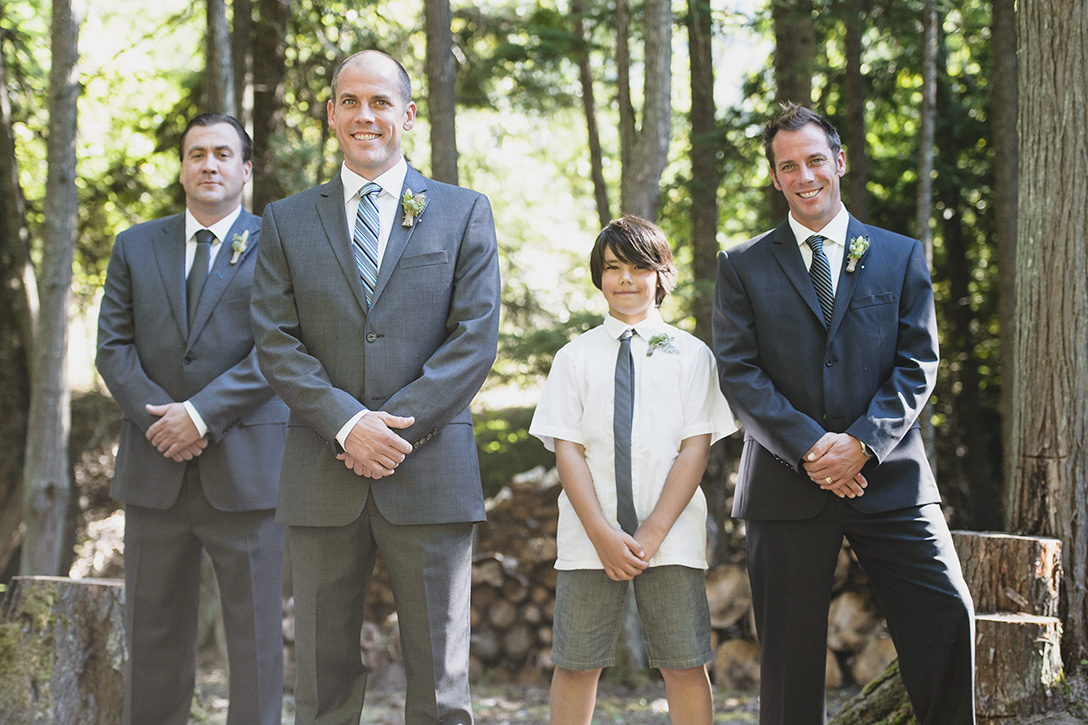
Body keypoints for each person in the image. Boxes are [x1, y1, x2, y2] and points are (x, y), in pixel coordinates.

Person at [250, 50, 500, 725]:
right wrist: (345, 423)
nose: (366, 115)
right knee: (323, 683)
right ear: (331, 114)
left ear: (408, 115)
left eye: (381, 102)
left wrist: (393, 430)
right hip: (322, 473)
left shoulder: (462, 211)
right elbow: (274, 338)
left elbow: (474, 338)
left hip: (430, 468)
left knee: (440, 686)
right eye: (351, 102)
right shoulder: (285, 220)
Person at [712, 103, 975, 725]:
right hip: (784, 479)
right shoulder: (742, 264)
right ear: (774, 178)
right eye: (788, 166)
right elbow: (739, 372)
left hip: (890, 475)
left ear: (839, 162)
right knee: (788, 657)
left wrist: (861, 444)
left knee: (947, 614)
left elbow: (919, 364)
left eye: (814, 161)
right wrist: (811, 448)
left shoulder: (899, 254)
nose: (804, 177)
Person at [96, 113, 288, 725]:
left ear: (245, 169)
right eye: (197, 153)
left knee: (256, 646)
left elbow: (281, 347)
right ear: (182, 167)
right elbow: (113, 347)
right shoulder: (135, 245)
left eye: (223, 154)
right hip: (155, 472)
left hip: (250, 476)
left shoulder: (279, 244)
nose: (209, 164)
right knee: (152, 641)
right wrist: (163, 421)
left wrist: (201, 416)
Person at [529, 216, 736, 725]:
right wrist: (602, 533)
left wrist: (652, 532)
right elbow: (568, 451)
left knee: (685, 662)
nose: (625, 279)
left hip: (671, 534)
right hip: (587, 538)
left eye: (639, 267)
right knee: (576, 663)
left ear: (661, 275)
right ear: (599, 277)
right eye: (612, 268)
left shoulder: (692, 356)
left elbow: (694, 450)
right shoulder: (573, 358)